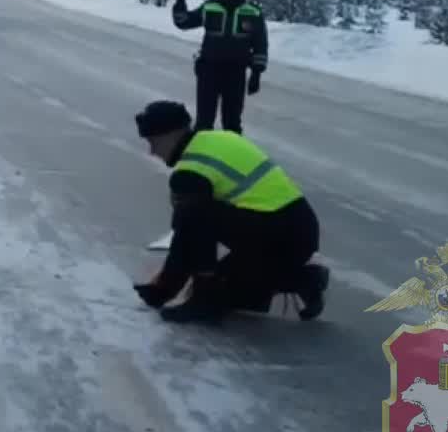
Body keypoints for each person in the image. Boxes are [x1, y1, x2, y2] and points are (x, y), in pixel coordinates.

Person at [130, 100, 328, 323]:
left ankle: (203, 300)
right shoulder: (219, 138)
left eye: (153, 142)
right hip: (299, 231)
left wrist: (163, 290)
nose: (152, 151)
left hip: (276, 238)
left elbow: (188, 234)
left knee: (192, 218)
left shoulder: (190, 171)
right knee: (229, 292)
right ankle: (303, 279)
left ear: (171, 134)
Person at [171, 0, 267, 132]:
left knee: (232, 123)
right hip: (208, 71)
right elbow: (183, 22)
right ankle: (201, 155)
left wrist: (256, 74)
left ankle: (231, 155)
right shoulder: (209, 7)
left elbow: (260, 45)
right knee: (204, 122)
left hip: (236, 74)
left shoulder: (253, 13)